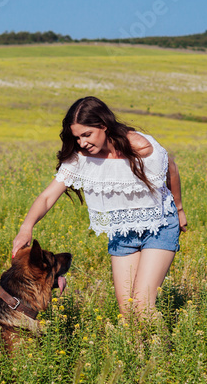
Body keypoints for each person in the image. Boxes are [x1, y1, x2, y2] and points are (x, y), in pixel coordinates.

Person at [11, 96, 188, 319]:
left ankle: (162, 353)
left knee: (143, 306)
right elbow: (47, 197)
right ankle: (137, 352)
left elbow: (170, 167)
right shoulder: (81, 159)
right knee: (128, 312)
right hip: (122, 233)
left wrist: (179, 209)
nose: (82, 142)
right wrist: (26, 227)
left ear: (103, 126)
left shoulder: (139, 146)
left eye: (87, 134)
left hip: (158, 226)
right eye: (77, 137)